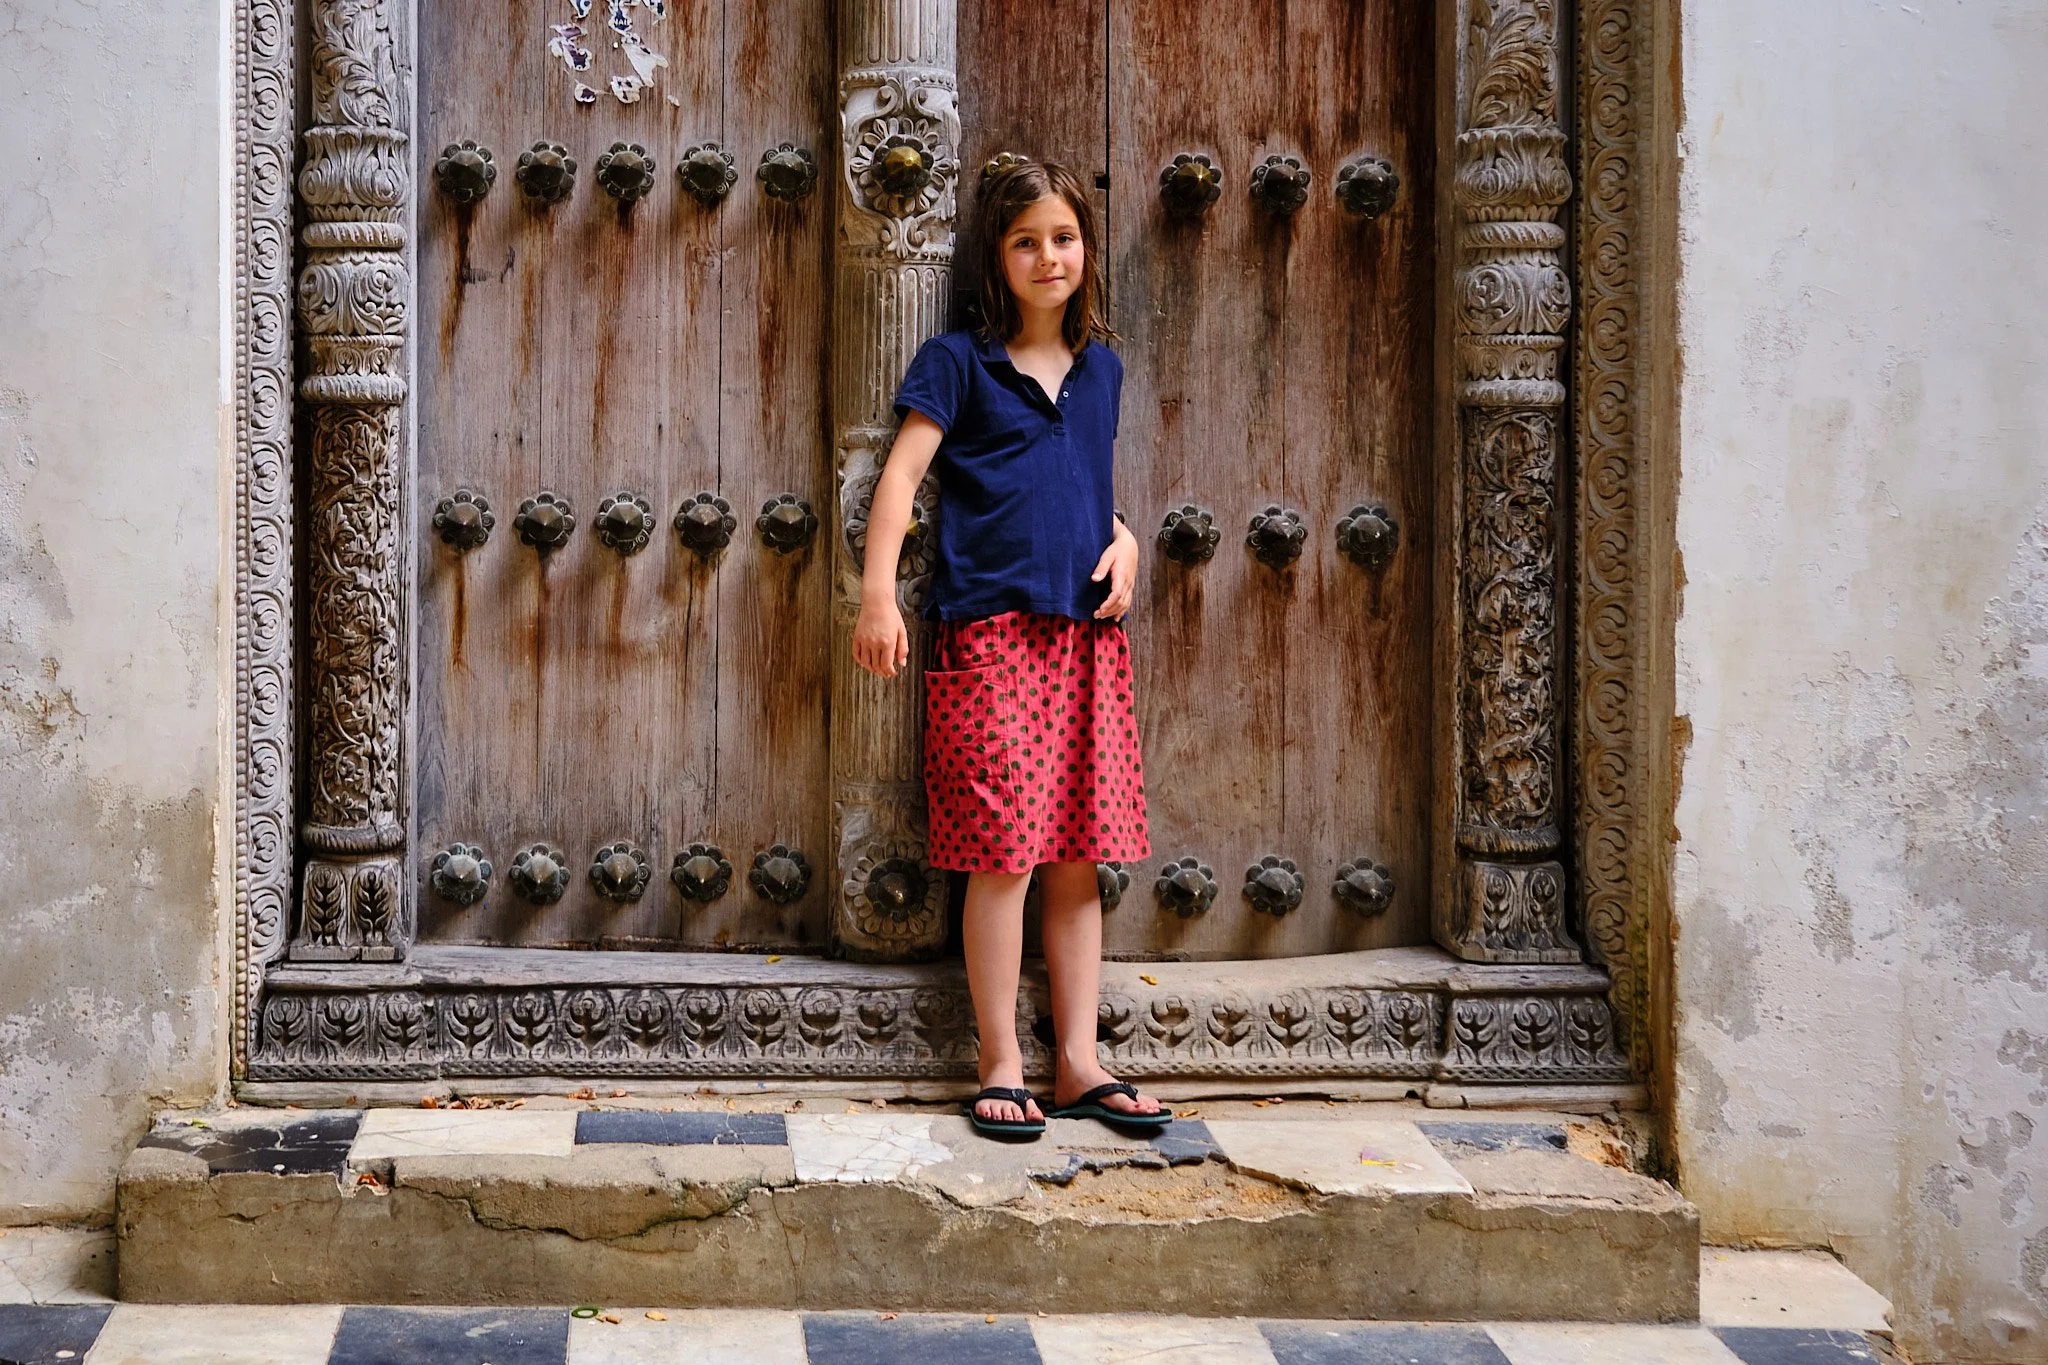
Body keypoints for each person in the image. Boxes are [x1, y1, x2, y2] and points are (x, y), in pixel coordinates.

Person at [850, 157, 1170, 1141]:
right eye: (1025, 241)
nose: (1047, 257)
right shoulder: (958, 363)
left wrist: (1125, 539)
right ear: (997, 257)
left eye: (1063, 238)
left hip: (1085, 642)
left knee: (1076, 857)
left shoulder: (1102, 370)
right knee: (1003, 854)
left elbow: (1084, 484)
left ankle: (1078, 1060)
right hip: (990, 639)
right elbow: (902, 479)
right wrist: (877, 595)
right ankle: (1000, 1059)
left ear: (1086, 249)